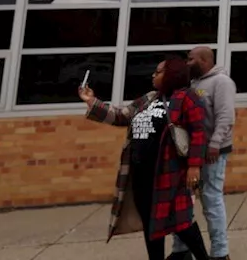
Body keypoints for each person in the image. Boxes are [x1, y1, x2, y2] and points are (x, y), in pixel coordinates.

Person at [79, 55, 212, 260]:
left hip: (169, 173)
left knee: (181, 222)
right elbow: (122, 115)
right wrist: (92, 101)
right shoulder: (149, 98)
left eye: (158, 72)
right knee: (152, 224)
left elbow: (199, 133)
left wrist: (194, 167)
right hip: (141, 174)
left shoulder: (187, 97)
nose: (153, 75)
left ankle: (203, 257)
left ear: (172, 74)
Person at [169, 46, 236, 260]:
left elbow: (226, 116)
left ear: (205, 60)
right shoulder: (194, 83)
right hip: (192, 153)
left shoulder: (221, 82)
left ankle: (220, 252)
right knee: (183, 200)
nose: (187, 63)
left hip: (213, 153)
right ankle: (181, 250)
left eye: (191, 59)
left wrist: (215, 144)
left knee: (211, 199)